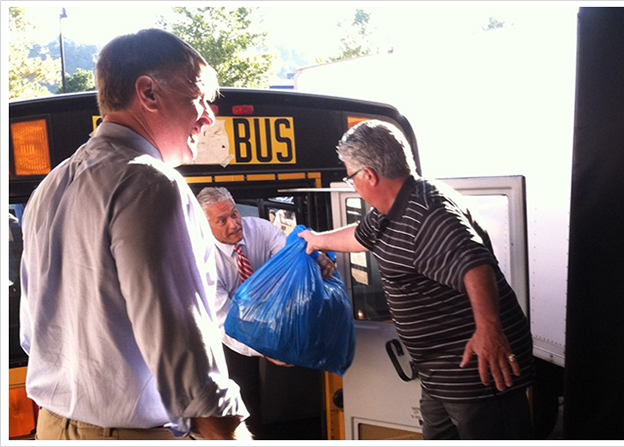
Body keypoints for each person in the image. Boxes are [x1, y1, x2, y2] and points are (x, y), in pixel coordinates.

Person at [19, 29, 247, 440]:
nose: (209, 116)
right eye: (199, 97)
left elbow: (32, 335)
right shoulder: (151, 183)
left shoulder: (49, 188)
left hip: (51, 428)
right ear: (149, 93)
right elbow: (189, 363)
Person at [299, 120, 534, 440]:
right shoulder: (391, 210)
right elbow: (362, 236)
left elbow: (475, 265)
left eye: (350, 177)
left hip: (477, 375)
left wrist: (489, 329)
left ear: (369, 175)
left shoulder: (426, 213)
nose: (352, 185)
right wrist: (316, 240)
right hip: (440, 374)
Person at [196, 186, 335, 439]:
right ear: (204, 226)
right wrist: (268, 348)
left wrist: (315, 260)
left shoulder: (260, 229)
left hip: (274, 317)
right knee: (243, 394)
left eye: (234, 214)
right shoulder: (203, 259)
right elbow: (224, 322)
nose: (234, 224)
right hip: (231, 336)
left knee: (299, 383)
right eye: (222, 220)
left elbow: (290, 260)